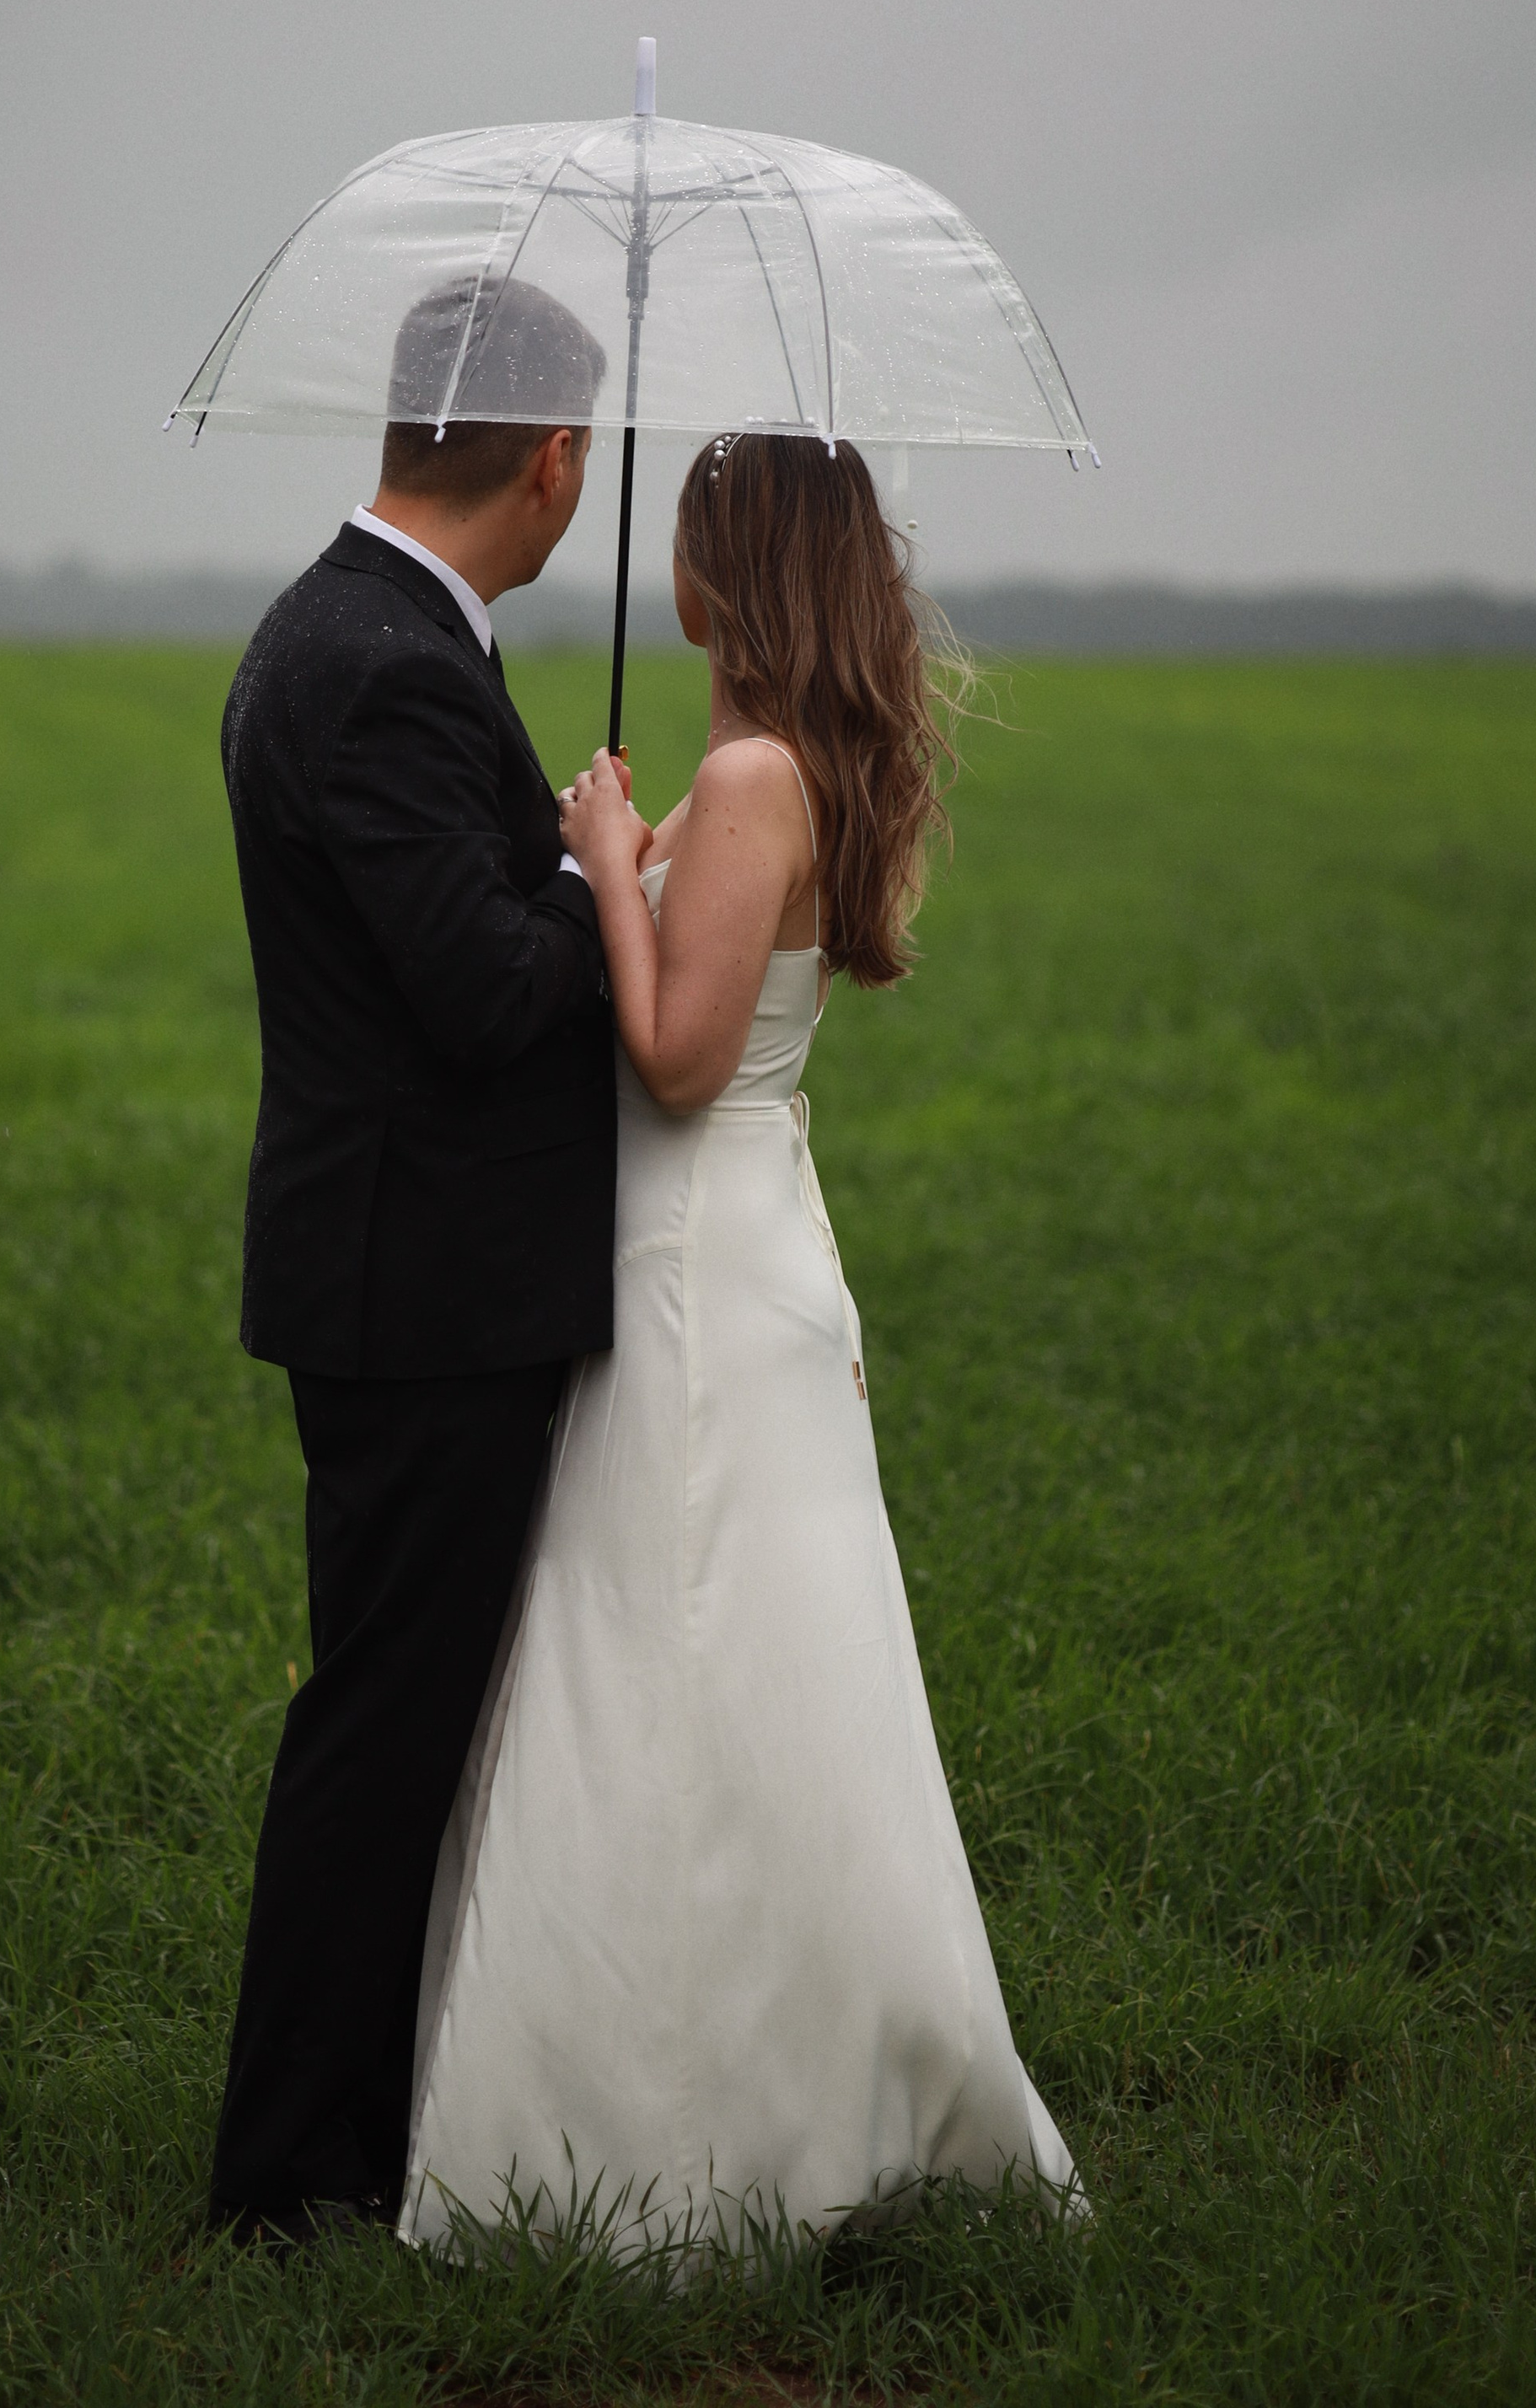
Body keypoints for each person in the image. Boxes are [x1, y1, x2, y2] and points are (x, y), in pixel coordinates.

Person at [403, 429, 1081, 2258]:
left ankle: (687, 2114)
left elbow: (680, 1056)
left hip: (695, 1257)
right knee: (722, 1647)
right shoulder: (791, 764)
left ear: (724, 577)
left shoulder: (758, 767)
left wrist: (612, 860)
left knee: (676, 1637)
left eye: (694, 539)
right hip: (728, 1241)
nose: (678, 568)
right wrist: (617, 848)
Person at [207, 278, 615, 2246]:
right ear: (550, 460)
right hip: (420, 1283)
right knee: (384, 1724)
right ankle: (291, 2179)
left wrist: (536, 853)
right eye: (584, 459)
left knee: (397, 1707)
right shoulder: (379, 664)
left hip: (405, 1267)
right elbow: (474, 988)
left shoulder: (355, 631)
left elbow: (430, 919)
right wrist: (603, 891)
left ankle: (360, 2130)